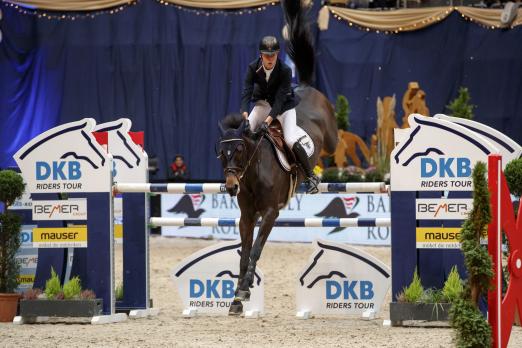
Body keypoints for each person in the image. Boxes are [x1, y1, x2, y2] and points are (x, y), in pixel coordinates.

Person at [240, 35, 320, 194]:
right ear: (260, 55)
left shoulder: (285, 70)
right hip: (263, 104)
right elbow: (247, 92)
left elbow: (279, 100)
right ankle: (237, 174)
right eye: (266, 55)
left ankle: (311, 176)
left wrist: (268, 121)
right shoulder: (252, 67)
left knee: (290, 140)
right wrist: (245, 116)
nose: (270, 58)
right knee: (243, 132)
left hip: (284, 108)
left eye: (273, 55)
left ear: (277, 54)